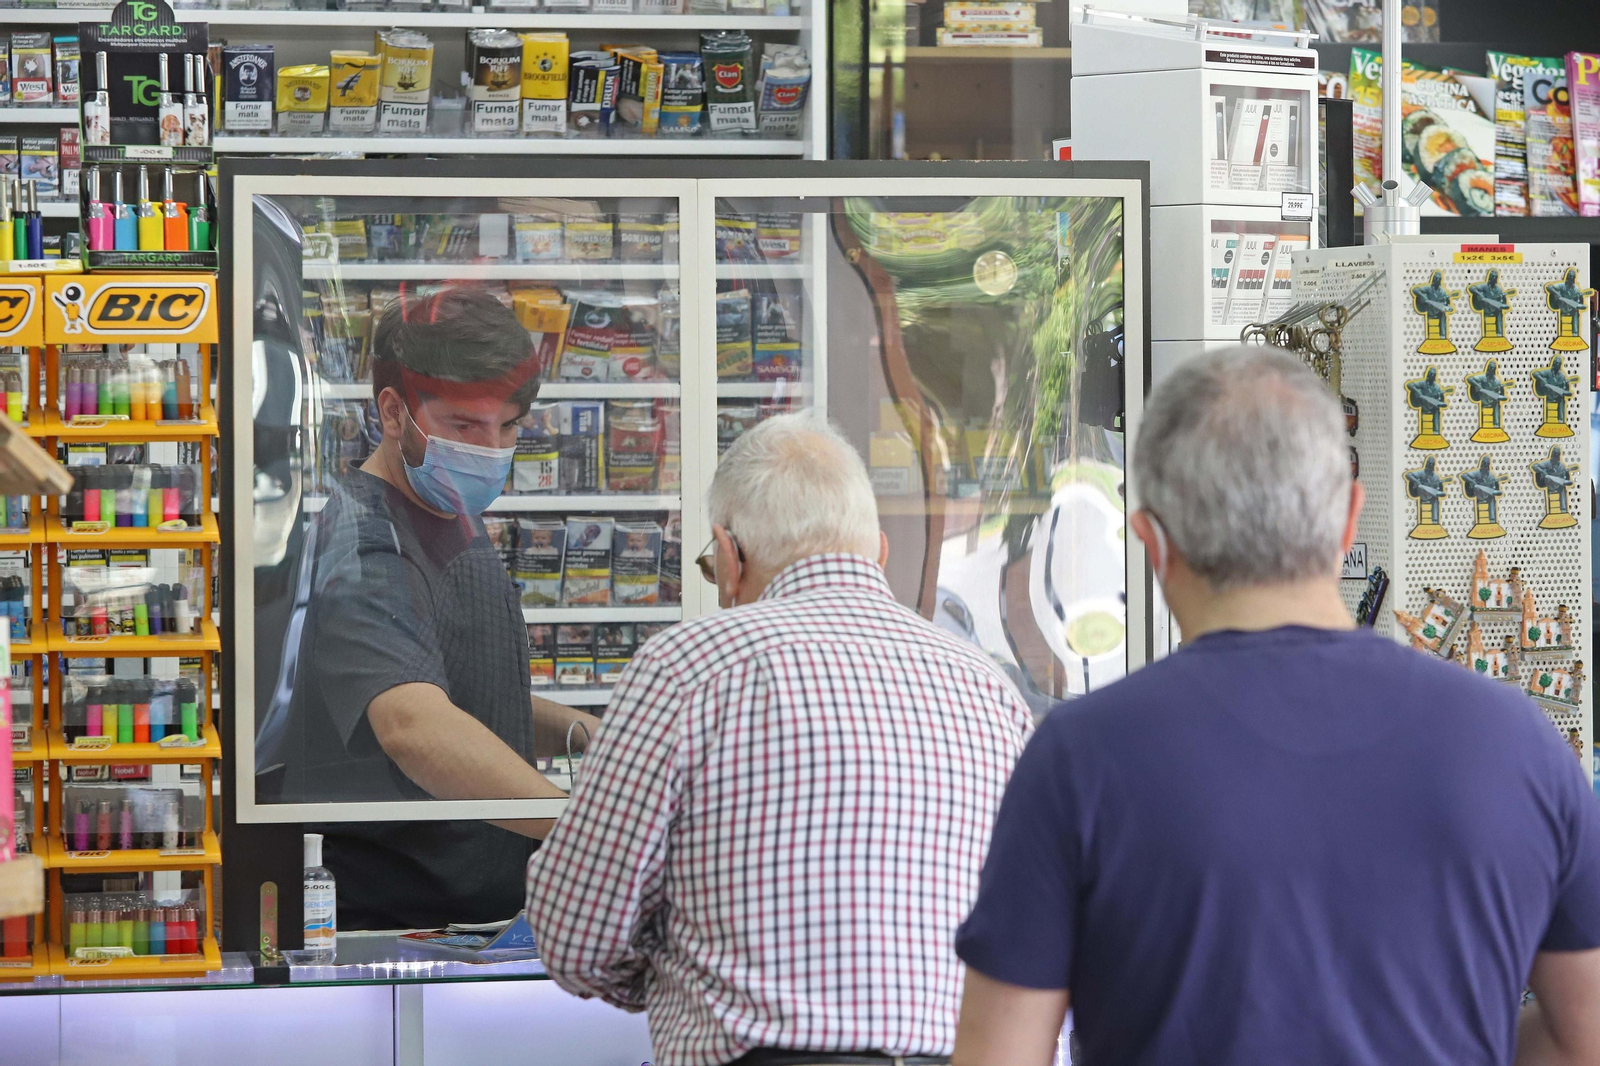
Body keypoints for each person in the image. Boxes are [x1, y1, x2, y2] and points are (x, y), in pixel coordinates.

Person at [952, 345, 1600, 1066]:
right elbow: (1585, 1038)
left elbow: (998, 1056)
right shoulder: (1517, 745)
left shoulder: (1079, 758)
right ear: (1348, 519)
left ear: (1154, 543)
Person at [526, 413, 1034, 1066]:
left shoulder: (688, 666)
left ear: (728, 555)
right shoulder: (989, 688)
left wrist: (677, 973)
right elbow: (1031, 930)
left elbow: (575, 934)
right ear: (878, 552)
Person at [262, 286, 598, 929]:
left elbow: (459, 688)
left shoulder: (444, 507)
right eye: (465, 426)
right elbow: (412, 722)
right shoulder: (365, 545)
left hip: (477, 920)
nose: (491, 449)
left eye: (509, 426)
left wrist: (585, 732)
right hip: (398, 934)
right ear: (393, 412)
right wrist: (585, 828)